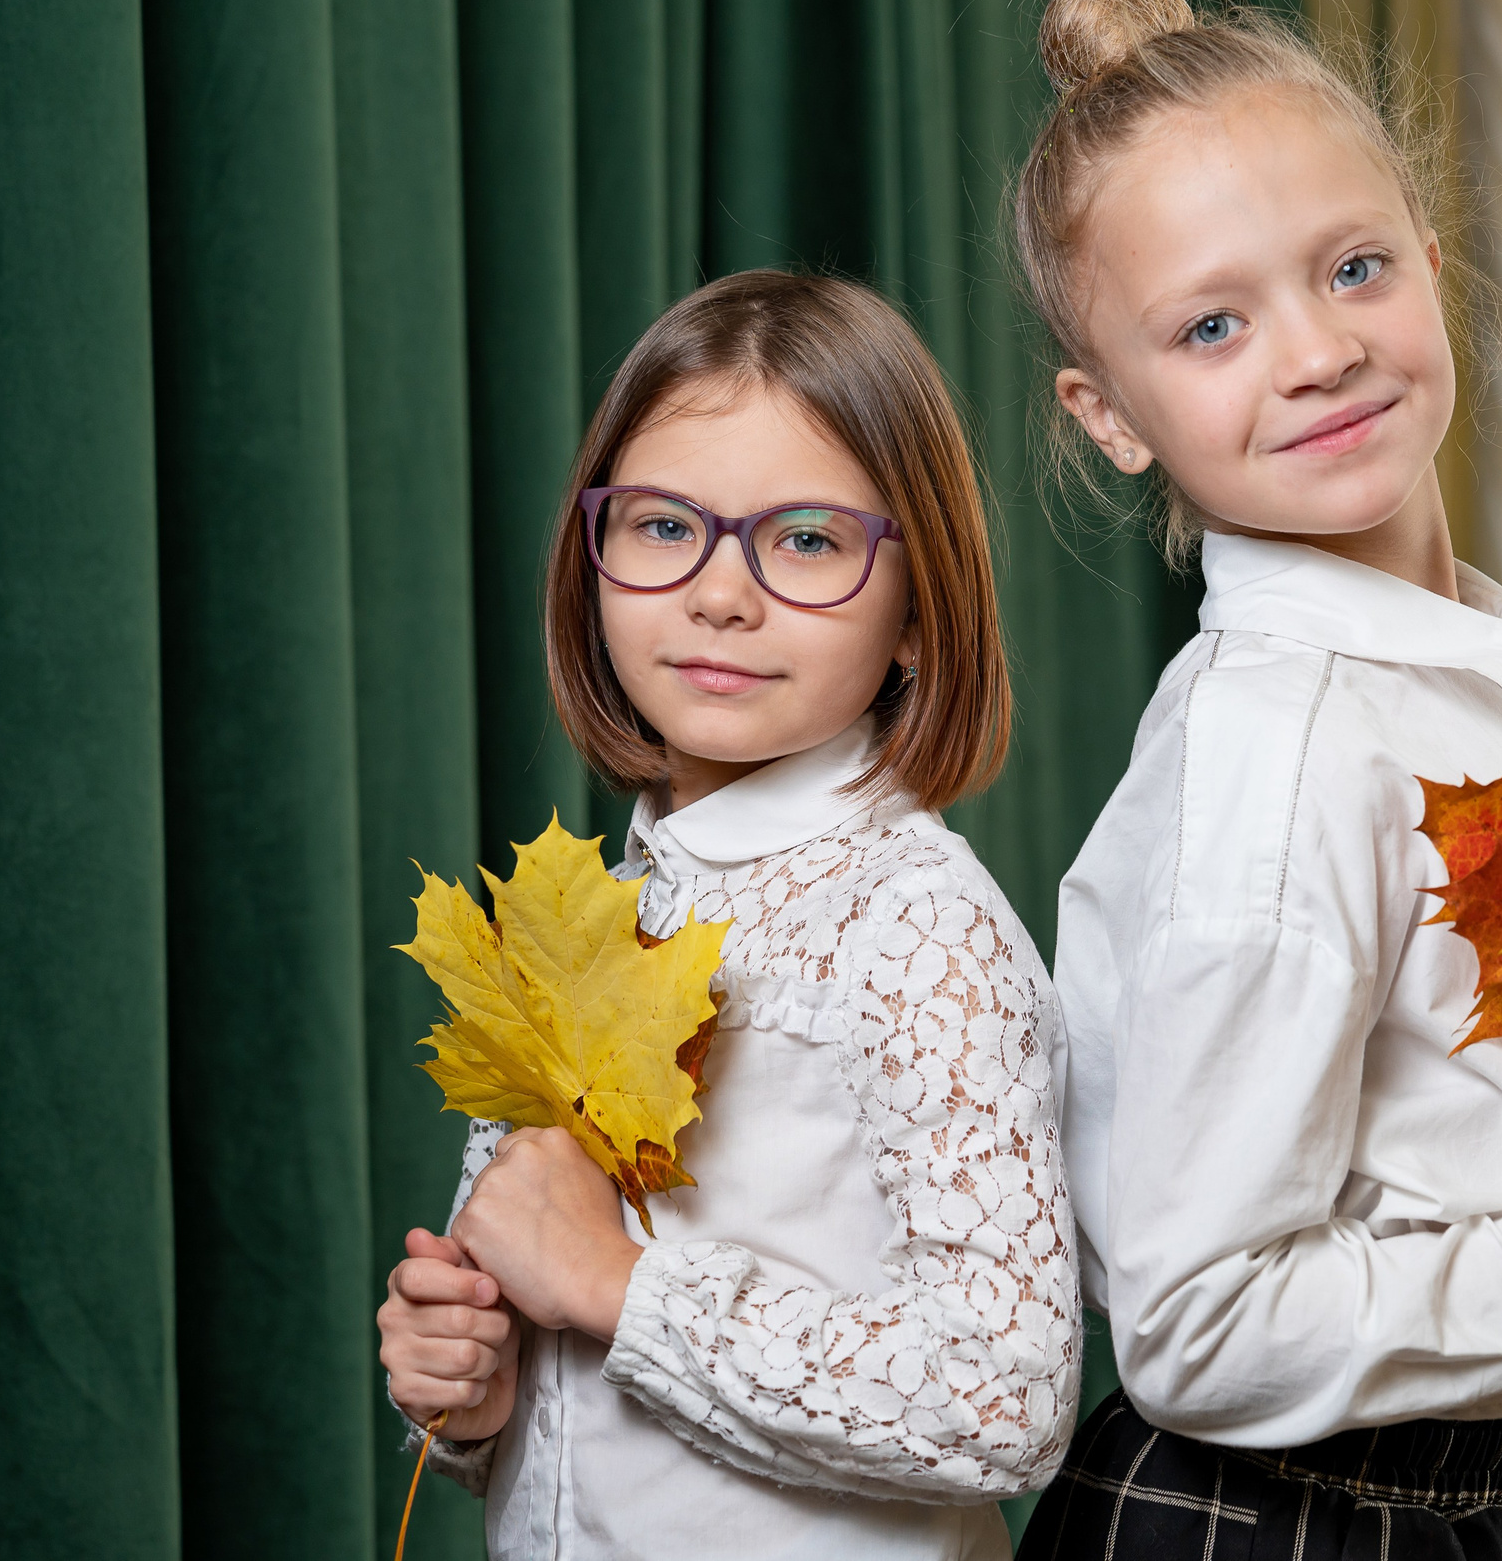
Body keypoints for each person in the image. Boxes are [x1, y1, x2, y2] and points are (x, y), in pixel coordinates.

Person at [1007, 0, 1502, 1561]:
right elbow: (1198, 1324)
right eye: (1214, 324)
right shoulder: (1276, 752)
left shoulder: (1500, 698)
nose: (1314, 353)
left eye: (1354, 268)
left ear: (1434, 267)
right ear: (1110, 415)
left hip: (1483, 1507)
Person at [376, 270, 1081, 1561]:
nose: (719, 593)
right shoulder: (597, 911)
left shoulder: (917, 928)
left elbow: (1005, 1399)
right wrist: (467, 1390)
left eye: (806, 540)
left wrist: (617, 1287)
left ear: (918, 611)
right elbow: (535, 1361)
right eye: (661, 528)